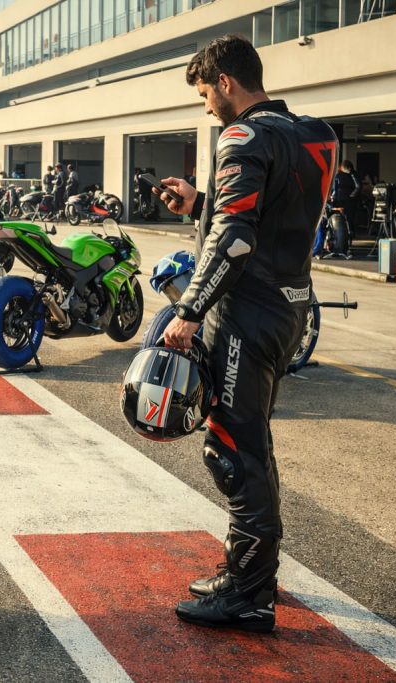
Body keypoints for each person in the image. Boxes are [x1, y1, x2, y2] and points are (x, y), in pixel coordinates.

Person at [156, 34, 337, 633]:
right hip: (289, 308)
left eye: (207, 93)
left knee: (231, 449)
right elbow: (272, 211)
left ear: (227, 83)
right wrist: (201, 202)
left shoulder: (241, 136)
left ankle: (249, 595)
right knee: (251, 444)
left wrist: (188, 311)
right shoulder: (312, 133)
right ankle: (251, 574)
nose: (207, 107)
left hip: (244, 314)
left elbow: (234, 240)